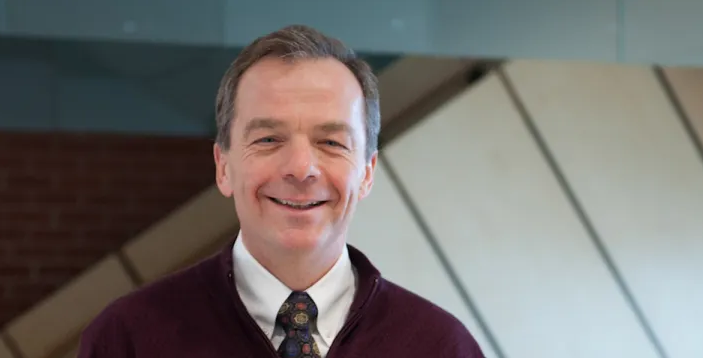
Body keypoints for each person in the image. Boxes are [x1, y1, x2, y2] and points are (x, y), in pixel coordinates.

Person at [77, 25, 485, 358]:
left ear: (366, 173)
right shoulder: (129, 339)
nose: (300, 169)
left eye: (331, 142)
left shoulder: (442, 347)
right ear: (224, 167)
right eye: (269, 139)